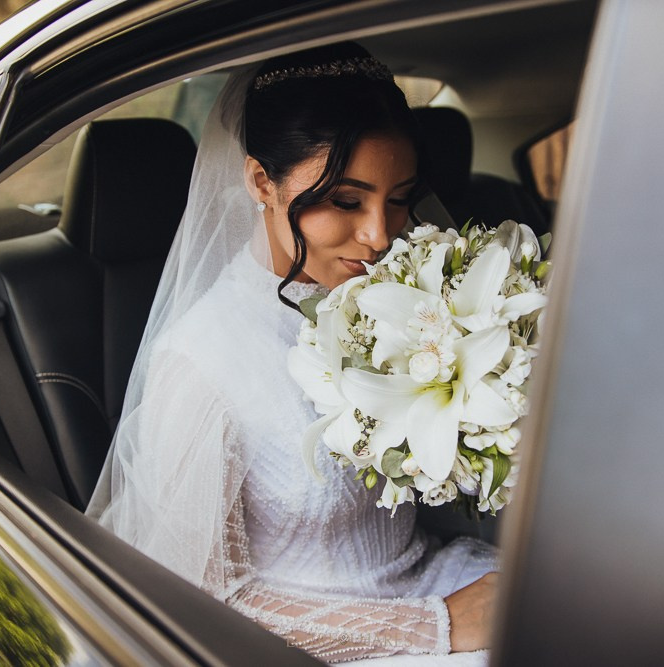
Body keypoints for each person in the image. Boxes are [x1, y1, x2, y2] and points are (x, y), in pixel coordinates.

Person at [87, 43, 498, 664]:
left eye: (398, 198)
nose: (381, 236)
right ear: (261, 181)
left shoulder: (404, 300)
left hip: (432, 575)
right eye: (345, 200)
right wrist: (432, 628)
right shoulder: (201, 361)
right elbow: (203, 601)